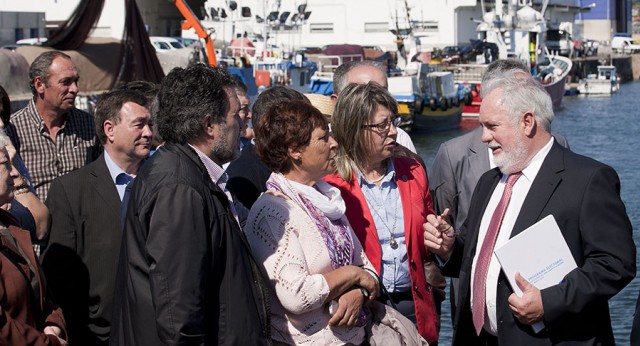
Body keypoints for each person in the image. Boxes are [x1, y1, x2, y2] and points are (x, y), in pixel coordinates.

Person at [424, 69, 635, 345]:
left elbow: (616, 264)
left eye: (492, 126)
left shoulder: (588, 179)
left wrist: (549, 301)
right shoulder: (489, 182)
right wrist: (450, 247)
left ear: (527, 122)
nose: (484, 137)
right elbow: (478, 258)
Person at [110, 64, 270, 345]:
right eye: (235, 116)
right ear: (209, 125)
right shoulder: (179, 187)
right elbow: (178, 313)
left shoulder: (187, 173)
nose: (243, 124)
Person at [429, 59, 569, 321]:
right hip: (476, 306)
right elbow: (447, 218)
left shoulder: (567, 154)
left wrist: (552, 300)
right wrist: (447, 246)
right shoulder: (461, 161)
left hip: (539, 305)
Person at [244, 100, 380, 344]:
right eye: (323, 138)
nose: (334, 144)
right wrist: (352, 275)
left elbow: (367, 267)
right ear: (295, 151)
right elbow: (296, 295)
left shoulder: (325, 199)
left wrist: (357, 292)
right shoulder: (273, 212)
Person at [324, 82, 441, 345]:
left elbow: (426, 237)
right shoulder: (330, 184)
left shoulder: (412, 170)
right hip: (363, 308)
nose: (393, 132)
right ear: (354, 129)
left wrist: (441, 238)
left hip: (414, 304)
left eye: (393, 121)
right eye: (382, 125)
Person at [42, 89, 153, 345]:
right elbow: (60, 275)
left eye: (150, 125)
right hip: (96, 335)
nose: (148, 133)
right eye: (139, 125)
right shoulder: (71, 190)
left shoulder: (166, 184)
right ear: (110, 129)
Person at [0, 128, 67, 346]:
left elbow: (39, 291)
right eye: (5, 165)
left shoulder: (10, 225)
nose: (14, 173)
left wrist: (53, 322)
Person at [6, 51, 100, 201]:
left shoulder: (89, 125)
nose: (75, 89)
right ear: (40, 85)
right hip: (34, 222)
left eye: (76, 81)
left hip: (80, 221)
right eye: (66, 82)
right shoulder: (13, 129)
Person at [226, 86, 310, 209]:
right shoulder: (242, 178)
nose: (308, 131)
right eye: (303, 124)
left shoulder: (284, 162)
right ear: (277, 127)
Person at [0, 84, 50, 253]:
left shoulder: (11, 158)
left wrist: (12, 167)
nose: (1, 124)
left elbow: (41, 227)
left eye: (2, 115)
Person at [331, 60, 416, 154]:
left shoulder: (400, 137)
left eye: (383, 91)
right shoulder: (321, 139)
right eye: (362, 92)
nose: (377, 98)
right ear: (336, 101)